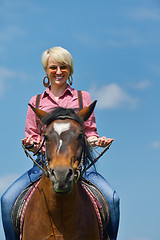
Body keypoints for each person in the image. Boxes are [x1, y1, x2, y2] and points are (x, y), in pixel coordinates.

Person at [1, 46, 119, 240]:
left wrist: (98, 140)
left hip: (80, 166)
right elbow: (32, 135)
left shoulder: (83, 98)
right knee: (6, 201)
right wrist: (31, 143)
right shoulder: (36, 101)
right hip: (43, 165)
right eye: (53, 67)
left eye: (63, 67)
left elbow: (89, 132)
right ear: (46, 70)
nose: (58, 72)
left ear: (70, 70)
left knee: (113, 199)